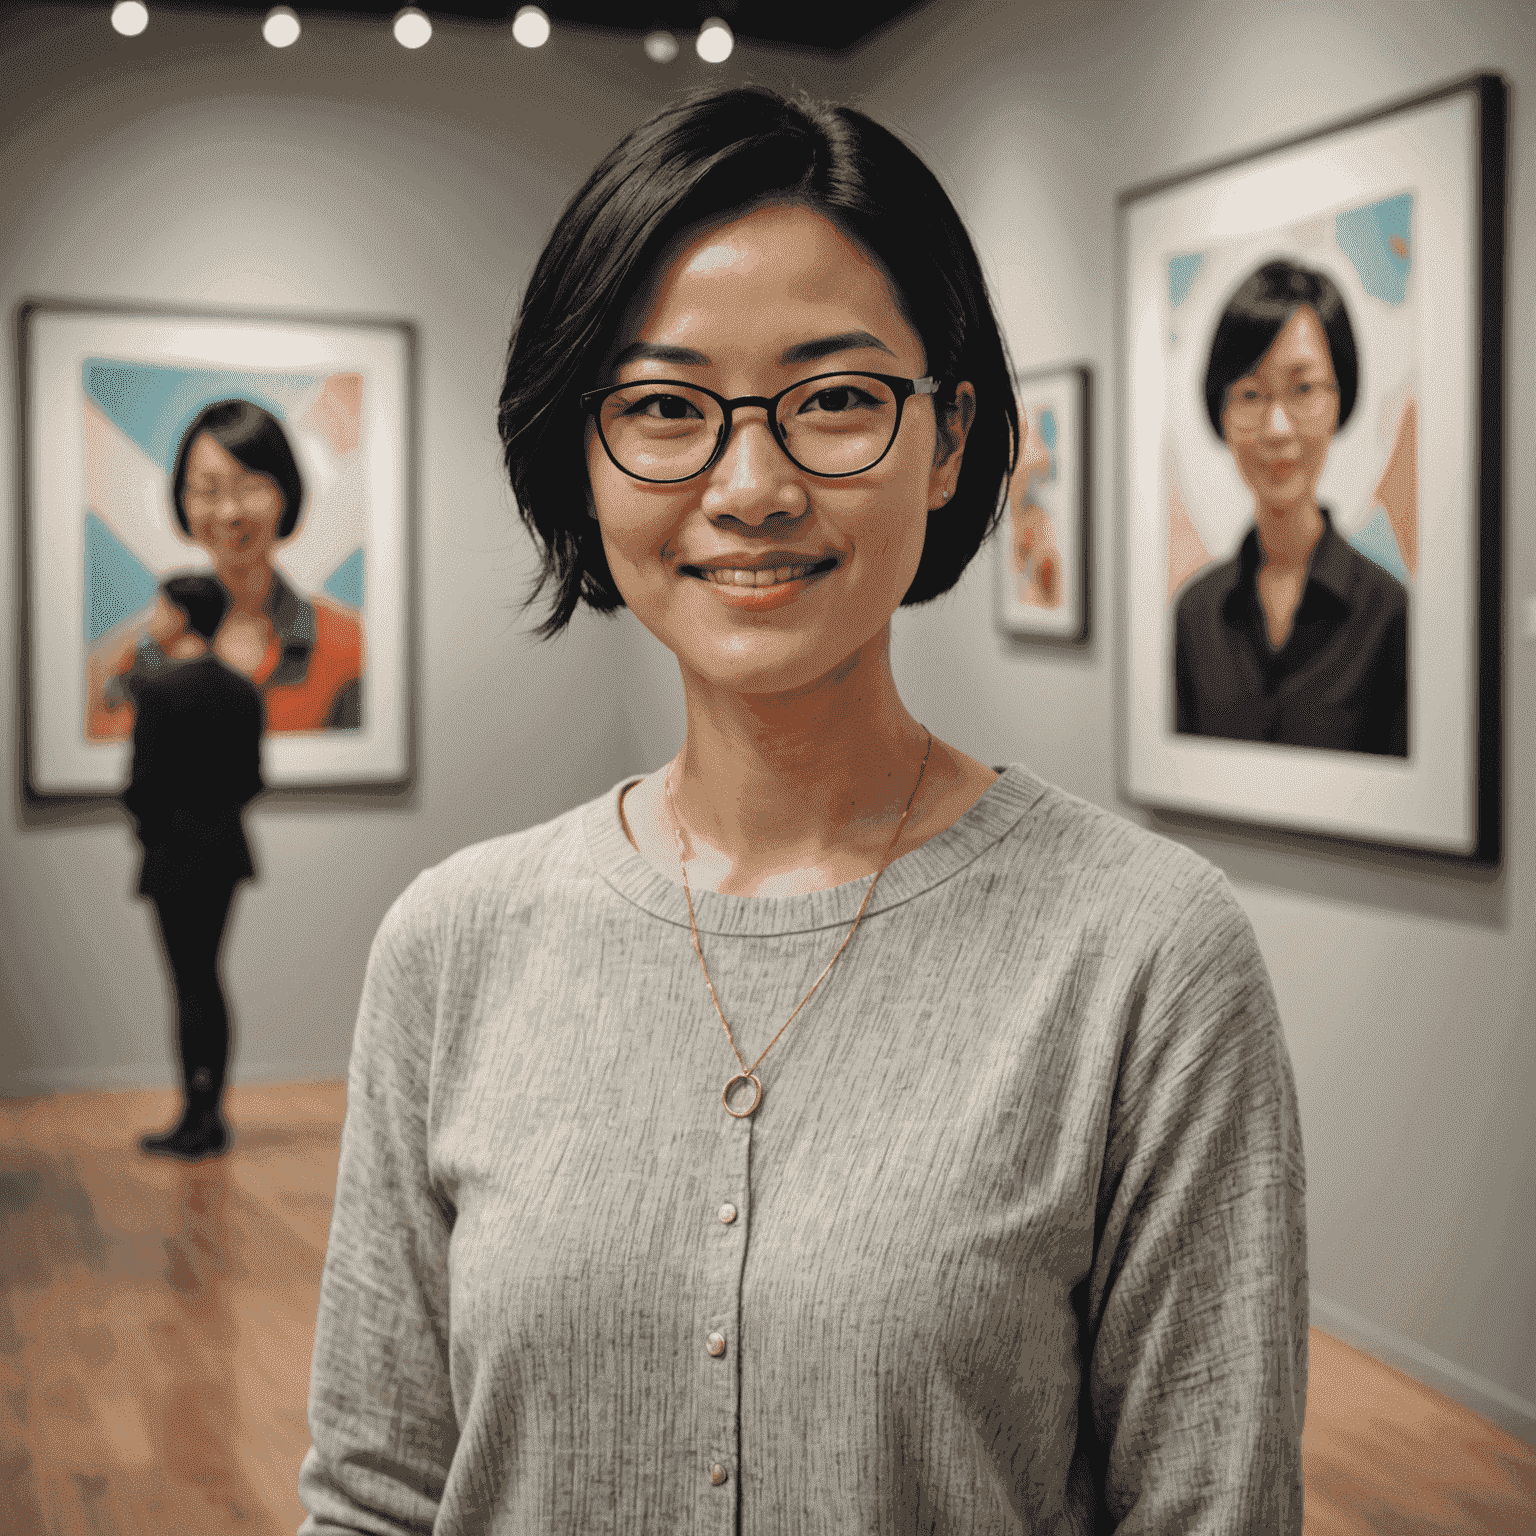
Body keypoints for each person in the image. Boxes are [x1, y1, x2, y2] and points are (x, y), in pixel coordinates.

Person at [298, 86, 1307, 1533]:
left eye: (836, 398)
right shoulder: (453, 945)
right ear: (582, 459)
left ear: (949, 438)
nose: (751, 484)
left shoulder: (1146, 956)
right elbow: (375, 1492)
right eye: (663, 408)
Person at [1174, 259, 1409, 755]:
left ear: (1340, 399)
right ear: (1221, 410)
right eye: (1251, 394)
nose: (1277, 429)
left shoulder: (1389, 614)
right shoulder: (1195, 614)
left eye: (1303, 389)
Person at [86, 398, 364, 738]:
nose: (230, 512)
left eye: (250, 486)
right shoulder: (129, 656)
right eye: (209, 490)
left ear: (285, 494)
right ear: (182, 501)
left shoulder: (348, 645)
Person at [124, 573, 263, 1161]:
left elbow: (142, 787)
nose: (154, 616)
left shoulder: (156, 692)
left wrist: (153, 830)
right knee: (209, 977)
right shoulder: (241, 691)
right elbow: (252, 781)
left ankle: (194, 1116)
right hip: (225, 854)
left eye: (161, 606)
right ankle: (213, 1111)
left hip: (173, 857)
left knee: (188, 984)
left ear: (182, 616)